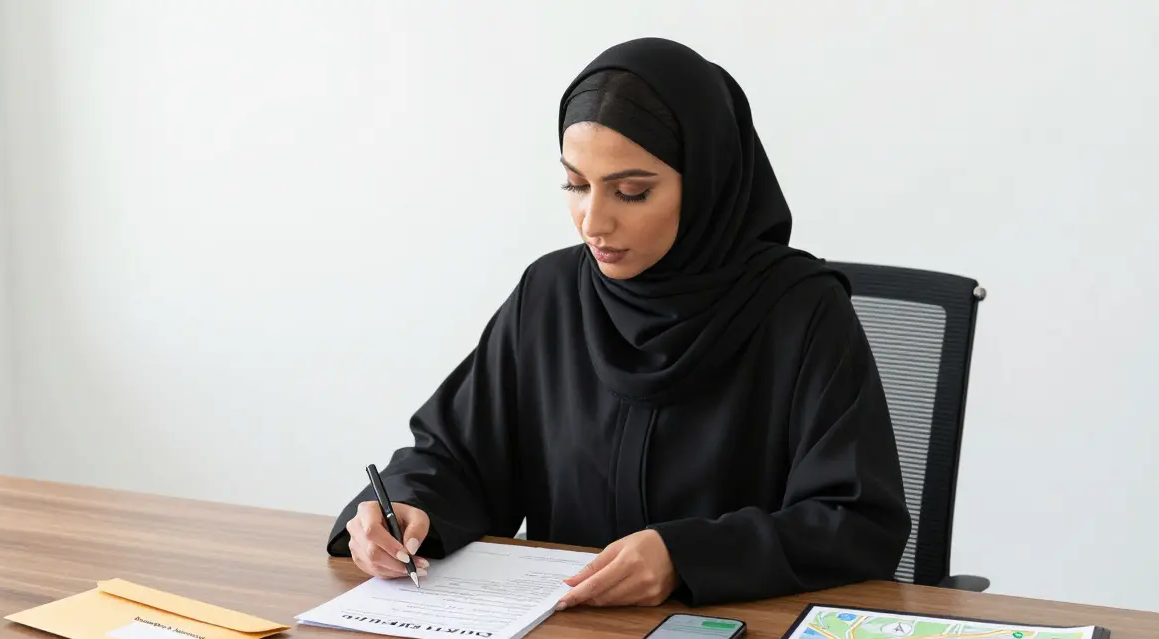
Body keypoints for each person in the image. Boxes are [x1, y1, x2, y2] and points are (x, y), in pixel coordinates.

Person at [326, 37, 911, 609]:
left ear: (707, 181)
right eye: (575, 185)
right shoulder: (550, 294)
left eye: (631, 192)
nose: (592, 222)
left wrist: (685, 557)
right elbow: (458, 459)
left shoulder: (801, 311)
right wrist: (405, 506)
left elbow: (857, 522)